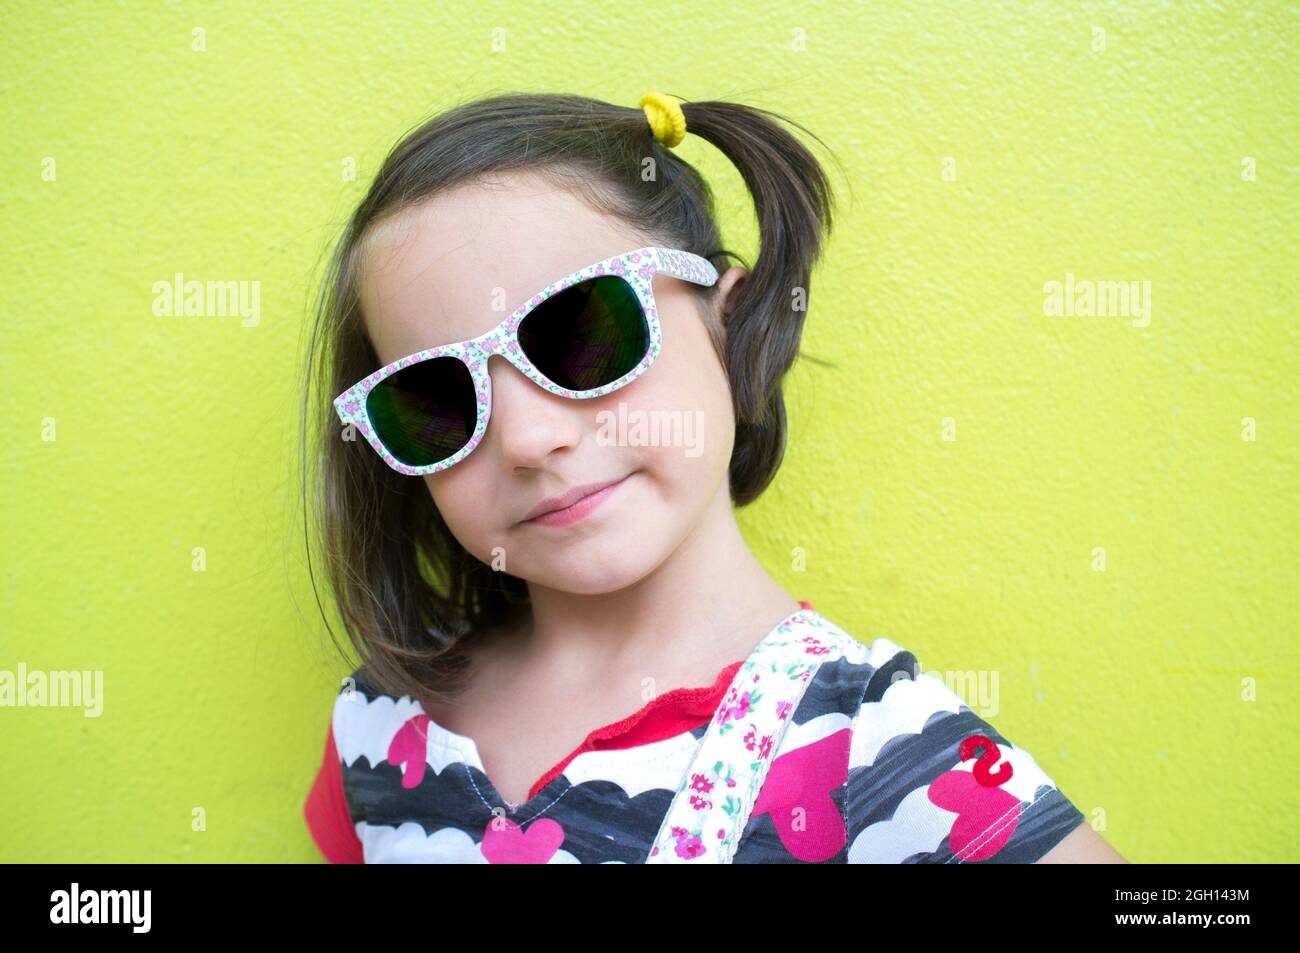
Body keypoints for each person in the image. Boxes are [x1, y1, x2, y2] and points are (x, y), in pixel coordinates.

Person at [300, 90, 1126, 863]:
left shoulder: (879, 752)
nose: (528, 437)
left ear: (727, 323)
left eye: (584, 331)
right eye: (435, 396)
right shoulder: (376, 727)